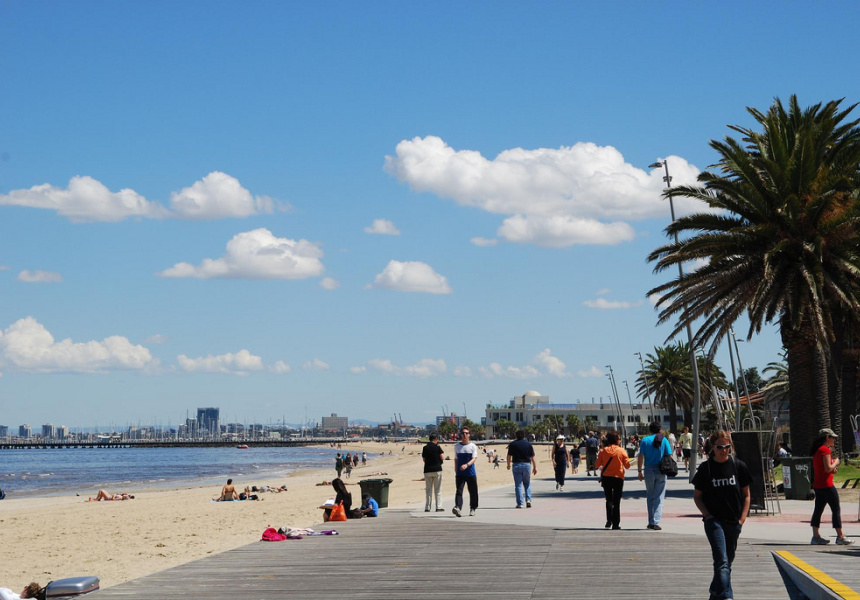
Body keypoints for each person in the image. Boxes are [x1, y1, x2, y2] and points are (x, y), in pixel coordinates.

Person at [693, 430, 752, 600]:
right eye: (720, 447)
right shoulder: (706, 468)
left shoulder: (738, 466)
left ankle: (715, 591)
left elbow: (746, 495)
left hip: (734, 522)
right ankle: (727, 596)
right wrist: (707, 515)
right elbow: (697, 497)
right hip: (714, 522)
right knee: (722, 561)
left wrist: (742, 519)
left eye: (727, 447)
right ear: (713, 447)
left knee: (727, 562)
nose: (724, 450)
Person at [810, 428, 853, 545]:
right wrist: (836, 461)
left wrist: (831, 469)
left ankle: (815, 536)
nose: (834, 440)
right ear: (827, 438)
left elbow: (824, 468)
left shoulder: (817, 450)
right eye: (833, 437)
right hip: (827, 485)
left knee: (818, 510)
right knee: (836, 509)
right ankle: (840, 536)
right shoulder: (825, 450)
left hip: (818, 485)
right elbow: (828, 467)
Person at [637, 421, 673, 530]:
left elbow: (640, 456)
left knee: (650, 495)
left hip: (648, 469)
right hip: (661, 470)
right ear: (660, 430)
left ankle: (650, 521)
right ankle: (655, 521)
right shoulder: (664, 439)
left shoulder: (645, 440)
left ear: (650, 430)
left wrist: (639, 471)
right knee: (659, 496)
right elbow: (670, 456)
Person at [595, 431, 631, 530]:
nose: (620, 440)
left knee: (609, 500)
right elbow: (627, 466)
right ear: (616, 440)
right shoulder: (621, 451)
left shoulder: (603, 451)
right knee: (617, 501)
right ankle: (616, 523)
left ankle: (609, 521)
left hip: (606, 478)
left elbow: (597, 464)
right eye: (619, 438)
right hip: (618, 478)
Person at [506, 430, 537, 508]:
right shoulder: (528, 444)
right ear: (524, 436)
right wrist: (535, 467)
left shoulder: (513, 444)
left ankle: (520, 503)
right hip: (527, 465)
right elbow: (533, 457)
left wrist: (508, 464)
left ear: (516, 436)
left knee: (518, 485)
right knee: (527, 483)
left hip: (516, 465)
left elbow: (509, 456)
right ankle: (528, 500)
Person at [452, 427, 479, 517]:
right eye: (463, 433)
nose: (464, 435)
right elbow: (456, 458)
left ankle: (473, 508)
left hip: (470, 473)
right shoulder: (457, 446)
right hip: (460, 474)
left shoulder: (473, 446)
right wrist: (456, 469)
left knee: (473, 491)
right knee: (459, 491)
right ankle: (458, 507)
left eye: (466, 433)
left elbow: (474, 458)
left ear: (469, 435)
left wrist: (467, 465)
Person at [422, 432, 445, 512]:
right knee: (437, 489)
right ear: (436, 439)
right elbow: (442, 457)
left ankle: (427, 507)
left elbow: (424, 459)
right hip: (437, 469)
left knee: (428, 489)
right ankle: (438, 507)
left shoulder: (425, 448)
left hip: (427, 470)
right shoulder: (437, 447)